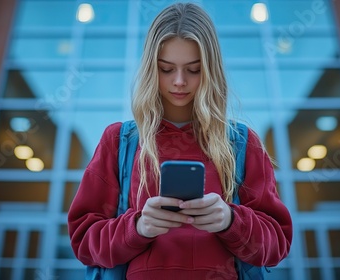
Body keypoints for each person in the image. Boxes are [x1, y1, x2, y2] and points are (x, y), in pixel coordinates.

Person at [68, 3, 292, 279]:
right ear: (151, 68)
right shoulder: (119, 141)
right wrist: (137, 227)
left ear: (211, 70)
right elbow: (84, 242)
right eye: (166, 69)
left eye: (194, 70)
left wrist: (231, 221)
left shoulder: (242, 143)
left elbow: (277, 245)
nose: (179, 81)